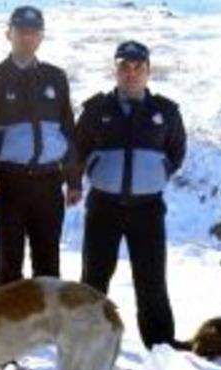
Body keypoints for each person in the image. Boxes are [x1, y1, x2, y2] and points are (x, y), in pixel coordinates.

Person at [76, 40, 186, 349]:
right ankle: (85, 342)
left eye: (139, 67)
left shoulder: (166, 111)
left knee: (151, 281)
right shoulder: (97, 109)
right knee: (94, 280)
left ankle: (160, 346)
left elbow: (176, 152)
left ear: (148, 71)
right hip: (104, 207)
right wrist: (94, 168)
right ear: (116, 70)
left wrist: (159, 171)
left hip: (147, 209)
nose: (131, 73)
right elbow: (78, 148)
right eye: (125, 67)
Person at [0, 6, 81, 286]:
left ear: (41, 36)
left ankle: (45, 329)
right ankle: (11, 330)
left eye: (34, 32)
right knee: (9, 264)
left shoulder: (55, 78)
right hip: (10, 183)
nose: (27, 38)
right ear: (8, 34)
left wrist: (73, 179)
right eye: (21, 32)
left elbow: (67, 130)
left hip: (48, 182)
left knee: (48, 263)